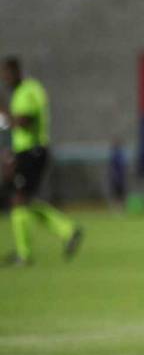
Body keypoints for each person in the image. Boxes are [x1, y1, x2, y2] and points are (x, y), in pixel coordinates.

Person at [1, 57, 84, 266]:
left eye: (7, 74)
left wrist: (3, 111)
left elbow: (24, 123)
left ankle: (25, 254)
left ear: (17, 72)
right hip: (25, 152)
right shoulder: (20, 93)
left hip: (33, 151)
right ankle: (68, 230)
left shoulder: (29, 90)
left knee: (19, 199)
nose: (5, 78)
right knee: (23, 201)